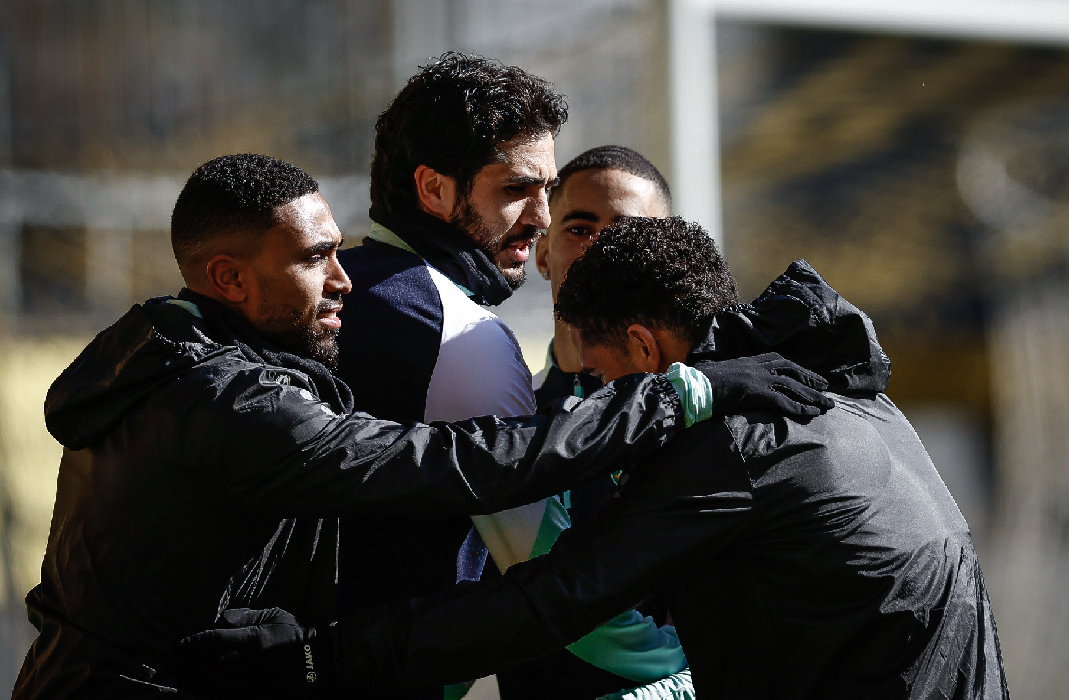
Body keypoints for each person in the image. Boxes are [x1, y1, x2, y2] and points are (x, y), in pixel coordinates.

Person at [11, 155, 829, 698]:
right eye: (312, 259)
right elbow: (450, 465)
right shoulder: (224, 402)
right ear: (228, 277)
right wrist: (676, 397)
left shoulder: (179, 357)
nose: (343, 280)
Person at [181, 216, 1008, 699]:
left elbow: (557, 599)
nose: (606, 401)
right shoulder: (840, 393)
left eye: (607, 379)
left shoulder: (734, 445)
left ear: (646, 349)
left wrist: (323, 658)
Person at [331, 55, 828, 697]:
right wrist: (682, 675)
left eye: (546, 190)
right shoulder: (462, 341)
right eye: (518, 189)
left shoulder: (335, 291)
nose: (540, 215)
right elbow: (559, 591)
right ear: (434, 190)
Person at [497, 145, 685, 699]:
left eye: (627, 232)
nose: (601, 250)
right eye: (580, 229)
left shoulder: (711, 414)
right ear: (543, 253)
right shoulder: (504, 415)